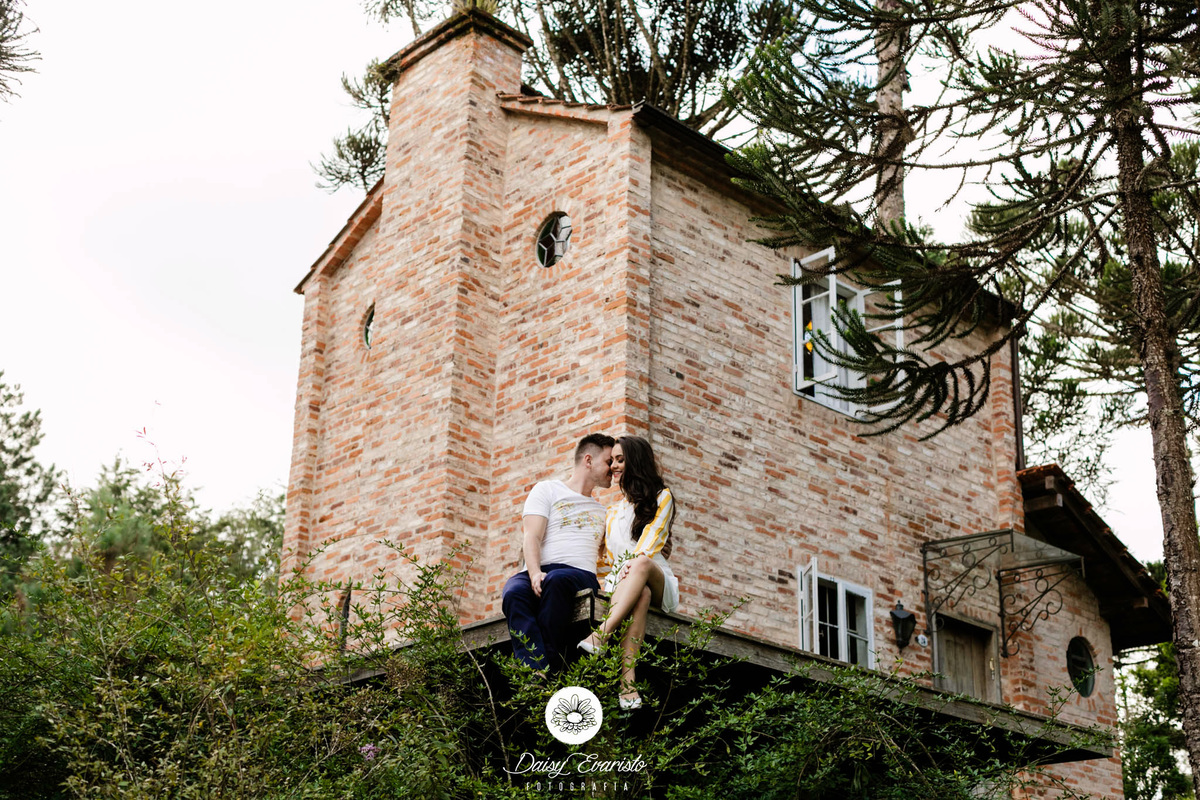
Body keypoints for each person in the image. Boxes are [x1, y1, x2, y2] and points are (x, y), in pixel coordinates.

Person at [578, 435, 678, 709]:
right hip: (623, 585)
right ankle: (628, 685)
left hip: (655, 575)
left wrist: (630, 566)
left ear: (636, 461)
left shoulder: (661, 497)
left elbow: (652, 543)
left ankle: (602, 633)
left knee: (642, 565)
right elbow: (602, 558)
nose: (614, 467)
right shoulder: (611, 513)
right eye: (612, 461)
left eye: (620, 460)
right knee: (640, 594)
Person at [501, 433, 615, 672]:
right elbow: (532, 535)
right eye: (608, 462)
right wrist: (533, 573)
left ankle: (548, 668)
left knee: (557, 581)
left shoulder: (605, 512)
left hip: (578, 574)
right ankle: (535, 671)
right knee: (513, 591)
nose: (612, 468)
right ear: (588, 460)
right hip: (540, 570)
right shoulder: (547, 490)